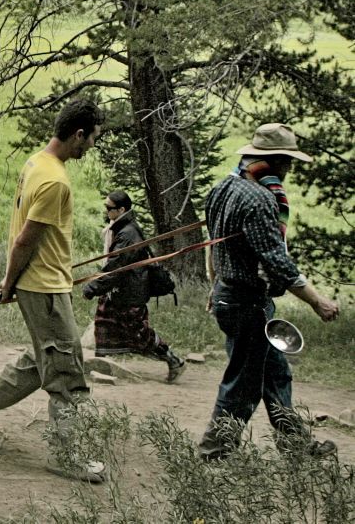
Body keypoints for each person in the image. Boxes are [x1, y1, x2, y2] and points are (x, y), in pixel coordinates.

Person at [0, 99, 105, 483]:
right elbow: (26, 240)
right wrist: (9, 282)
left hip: (43, 281)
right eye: (91, 140)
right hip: (43, 286)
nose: (90, 147)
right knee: (67, 374)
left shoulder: (36, 163)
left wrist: (16, 281)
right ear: (78, 134)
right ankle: (66, 456)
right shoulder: (55, 179)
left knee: (43, 359)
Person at [197, 123, 340, 461]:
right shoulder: (261, 199)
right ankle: (214, 450)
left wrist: (213, 283)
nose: (290, 169)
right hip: (247, 303)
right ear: (275, 161)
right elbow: (278, 264)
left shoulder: (223, 187)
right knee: (244, 381)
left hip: (228, 295)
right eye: (288, 162)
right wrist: (318, 302)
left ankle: (296, 447)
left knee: (274, 374)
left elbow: (213, 244)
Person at [83, 190, 185, 382]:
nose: (106, 212)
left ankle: (173, 360)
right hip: (119, 291)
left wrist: (93, 287)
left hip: (130, 292)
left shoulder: (128, 233)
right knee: (104, 324)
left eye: (109, 208)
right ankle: (100, 367)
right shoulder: (121, 229)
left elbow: (116, 267)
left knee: (139, 333)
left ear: (121, 209)